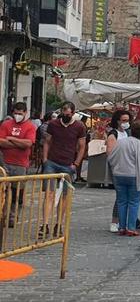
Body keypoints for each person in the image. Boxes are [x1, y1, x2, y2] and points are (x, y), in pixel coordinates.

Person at [41, 102, 86, 238]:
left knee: (64, 196)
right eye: (64, 114)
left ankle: (59, 224)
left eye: (68, 114)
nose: (65, 116)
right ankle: (45, 224)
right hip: (52, 162)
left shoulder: (79, 126)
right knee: (49, 193)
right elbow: (47, 141)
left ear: (73, 113)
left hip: (68, 164)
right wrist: (45, 159)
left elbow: (82, 146)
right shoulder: (53, 124)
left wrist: (76, 163)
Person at [107, 120, 140, 236]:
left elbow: (111, 157)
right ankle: (131, 227)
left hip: (119, 174)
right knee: (134, 202)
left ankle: (121, 227)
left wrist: (115, 169)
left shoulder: (121, 143)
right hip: (135, 176)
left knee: (121, 201)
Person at [0, 102, 37, 228]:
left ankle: (12, 216)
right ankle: (2, 214)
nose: (17, 116)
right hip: (4, 162)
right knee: (3, 191)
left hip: (20, 164)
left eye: (20, 114)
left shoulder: (30, 127)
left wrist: (11, 139)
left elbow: (28, 144)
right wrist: (18, 144)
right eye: (15, 113)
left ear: (25, 113)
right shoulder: (6, 124)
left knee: (17, 193)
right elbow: (1, 142)